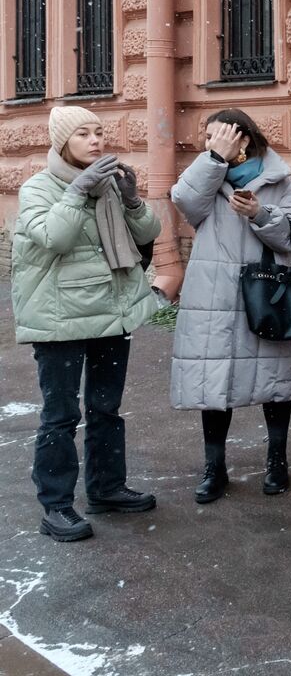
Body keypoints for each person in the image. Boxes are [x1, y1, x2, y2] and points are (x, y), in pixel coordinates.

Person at [12, 106, 163, 542]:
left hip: (111, 312)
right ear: (63, 142)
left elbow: (147, 233)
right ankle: (56, 506)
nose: (96, 140)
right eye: (84, 134)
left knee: (105, 409)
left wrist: (132, 199)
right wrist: (78, 189)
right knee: (61, 415)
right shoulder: (38, 188)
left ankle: (106, 488)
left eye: (99, 132)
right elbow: (56, 237)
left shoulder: (108, 185)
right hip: (60, 319)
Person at [170, 109, 291, 503]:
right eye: (207, 138)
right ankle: (215, 468)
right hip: (212, 294)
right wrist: (214, 159)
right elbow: (184, 201)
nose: (209, 143)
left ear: (243, 138)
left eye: (218, 136)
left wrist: (260, 214)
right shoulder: (206, 178)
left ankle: (277, 461)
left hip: (266, 294)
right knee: (213, 381)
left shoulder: (278, 178)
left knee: (274, 381)